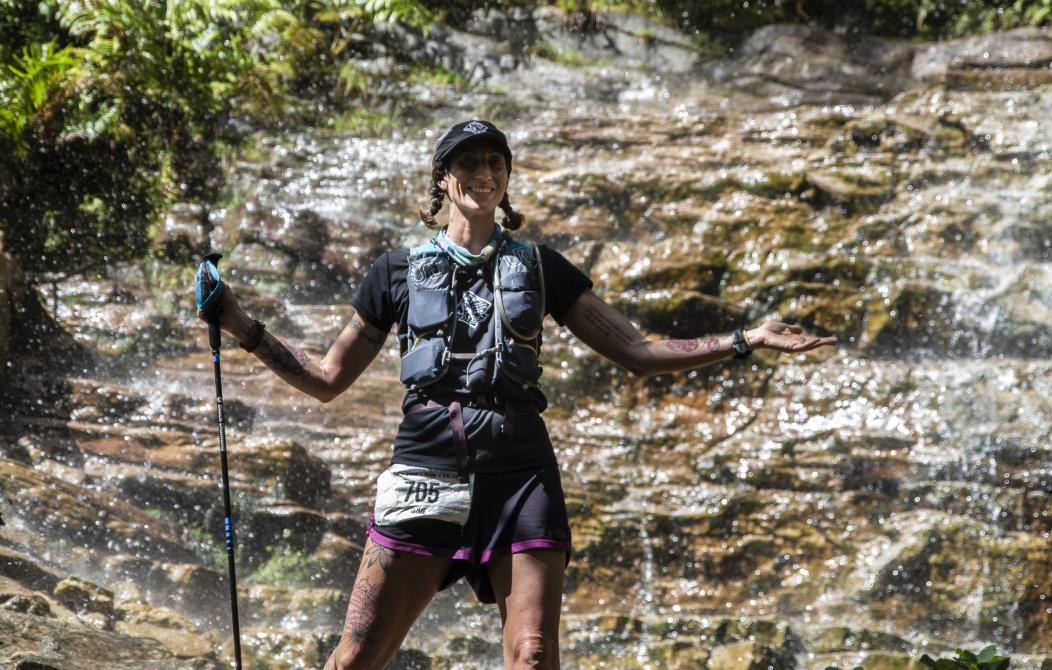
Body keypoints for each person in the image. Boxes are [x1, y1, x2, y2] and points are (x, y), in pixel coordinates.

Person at [199, 119, 836, 670]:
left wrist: (746, 338)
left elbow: (638, 353)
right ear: (442, 179)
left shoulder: (539, 266)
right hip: (425, 469)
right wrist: (236, 321)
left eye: (496, 163)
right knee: (358, 656)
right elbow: (327, 379)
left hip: (522, 474)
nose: (485, 172)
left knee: (532, 655)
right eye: (469, 163)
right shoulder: (394, 272)